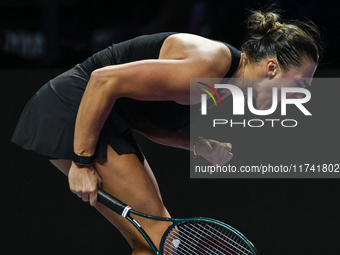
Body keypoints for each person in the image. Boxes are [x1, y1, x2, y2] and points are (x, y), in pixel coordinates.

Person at [12, 8, 322, 255]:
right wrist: (81, 163)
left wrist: (197, 145)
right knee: (158, 239)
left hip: (104, 117)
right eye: (297, 86)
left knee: (159, 241)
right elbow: (102, 81)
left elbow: (142, 116)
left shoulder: (224, 87)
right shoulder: (207, 68)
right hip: (72, 107)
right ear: (271, 69)